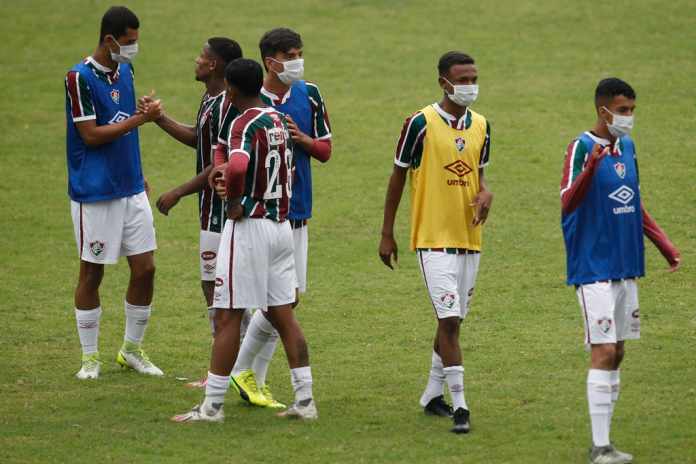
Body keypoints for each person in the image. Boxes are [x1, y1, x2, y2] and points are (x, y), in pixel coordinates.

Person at [172, 58, 317, 423]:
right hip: (282, 226)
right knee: (283, 315)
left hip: (250, 229)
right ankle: (305, 401)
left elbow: (236, 166)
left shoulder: (242, 122)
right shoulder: (281, 120)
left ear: (231, 90)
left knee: (227, 317)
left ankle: (212, 407)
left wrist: (234, 201)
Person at [560, 78, 680, 464]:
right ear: (603, 110)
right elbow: (567, 203)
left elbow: (635, 202)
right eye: (623, 111)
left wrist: (663, 244)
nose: (628, 118)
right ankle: (599, 447)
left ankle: (607, 442)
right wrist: (589, 170)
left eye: (631, 110)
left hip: (625, 266)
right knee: (604, 349)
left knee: (619, 352)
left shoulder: (627, 147)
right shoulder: (580, 147)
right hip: (592, 266)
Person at [378, 51, 493, 434]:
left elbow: (478, 174)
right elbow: (397, 178)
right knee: (448, 320)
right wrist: (386, 232)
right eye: (462, 80)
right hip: (433, 238)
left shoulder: (482, 125)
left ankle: (431, 395)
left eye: (473, 78)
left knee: (454, 320)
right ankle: (461, 406)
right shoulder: (419, 123)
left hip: (469, 238)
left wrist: (486, 194)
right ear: (444, 82)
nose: (469, 86)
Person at [228, 27, 332, 408]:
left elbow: (325, 150)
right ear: (270, 61)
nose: (296, 62)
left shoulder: (311, 94)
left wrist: (301, 139)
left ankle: (245, 374)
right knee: (278, 302)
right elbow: (229, 152)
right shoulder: (251, 101)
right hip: (263, 215)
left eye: (299, 53)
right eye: (290, 55)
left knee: (286, 301)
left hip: (298, 209)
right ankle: (246, 376)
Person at [65, 6, 164, 379]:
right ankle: (90, 357)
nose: (134, 48)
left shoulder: (127, 70)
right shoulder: (78, 78)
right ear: (109, 40)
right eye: (129, 42)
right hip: (95, 192)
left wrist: (137, 172)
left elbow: (125, 124)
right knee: (92, 273)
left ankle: (131, 350)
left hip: (130, 187)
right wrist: (142, 119)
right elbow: (90, 134)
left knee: (146, 268)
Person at [142, 38, 242, 376]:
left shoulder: (228, 105)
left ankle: (229, 368)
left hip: (222, 211)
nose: (196, 60)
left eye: (202, 56)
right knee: (212, 286)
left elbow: (220, 163)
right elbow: (198, 139)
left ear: (213, 65)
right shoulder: (211, 99)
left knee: (218, 288)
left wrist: (177, 192)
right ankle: (227, 366)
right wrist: (158, 118)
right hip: (209, 210)